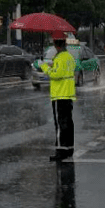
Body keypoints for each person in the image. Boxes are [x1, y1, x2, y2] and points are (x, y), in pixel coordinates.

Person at [36, 33, 76, 161]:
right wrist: (53, 65)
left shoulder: (60, 58)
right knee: (68, 123)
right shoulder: (69, 56)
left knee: (60, 125)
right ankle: (69, 149)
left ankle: (60, 151)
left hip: (60, 95)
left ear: (55, 44)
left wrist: (43, 66)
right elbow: (66, 70)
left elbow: (56, 74)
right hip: (68, 94)